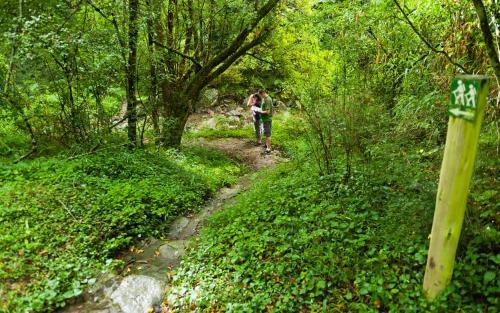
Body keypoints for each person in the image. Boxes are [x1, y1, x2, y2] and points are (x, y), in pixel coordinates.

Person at [258, 89, 273, 153]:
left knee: (268, 134)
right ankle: (267, 144)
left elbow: (267, 111)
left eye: (260, 95)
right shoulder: (266, 98)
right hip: (265, 119)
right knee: (266, 132)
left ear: (263, 93)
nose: (260, 97)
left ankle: (268, 148)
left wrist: (260, 111)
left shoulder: (267, 99)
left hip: (267, 119)